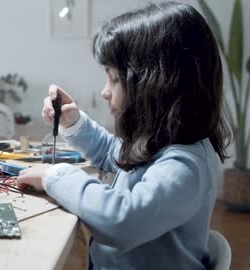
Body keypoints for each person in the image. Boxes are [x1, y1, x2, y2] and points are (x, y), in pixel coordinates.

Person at [16, 2, 230, 269]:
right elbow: (114, 153)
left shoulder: (185, 166)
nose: (105, 91)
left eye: (114, 79)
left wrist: (55, 176)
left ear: (157, 83)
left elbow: (121, 221)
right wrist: (75, 122)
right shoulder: (162, 146)